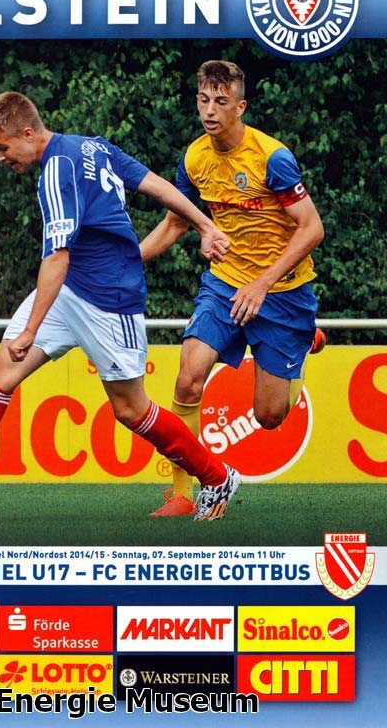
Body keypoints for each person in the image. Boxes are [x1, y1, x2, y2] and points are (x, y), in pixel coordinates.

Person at [0, 90, 242, 522]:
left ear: (28, 133)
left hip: (110, 300)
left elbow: (58, 256)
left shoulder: (56, 171)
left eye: (2, 148)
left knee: (130, 409)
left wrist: (30, 330)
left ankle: (217, 476)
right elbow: (156, 185)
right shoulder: (92, 146)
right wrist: (204, 225)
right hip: (70, 288)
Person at [141, 60, 325, 518]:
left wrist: (263, 284)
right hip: (224, 284)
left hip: (282, 292)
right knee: (188, 375)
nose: (210, 110)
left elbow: (312, 228)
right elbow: (176, 222)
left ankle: (304, 341)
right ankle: (184, 493)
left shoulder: (272, 158)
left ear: (240, 107)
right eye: (204, 100)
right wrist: (128, 260)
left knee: (269, 417)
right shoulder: (195, 159)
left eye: (221, 102)